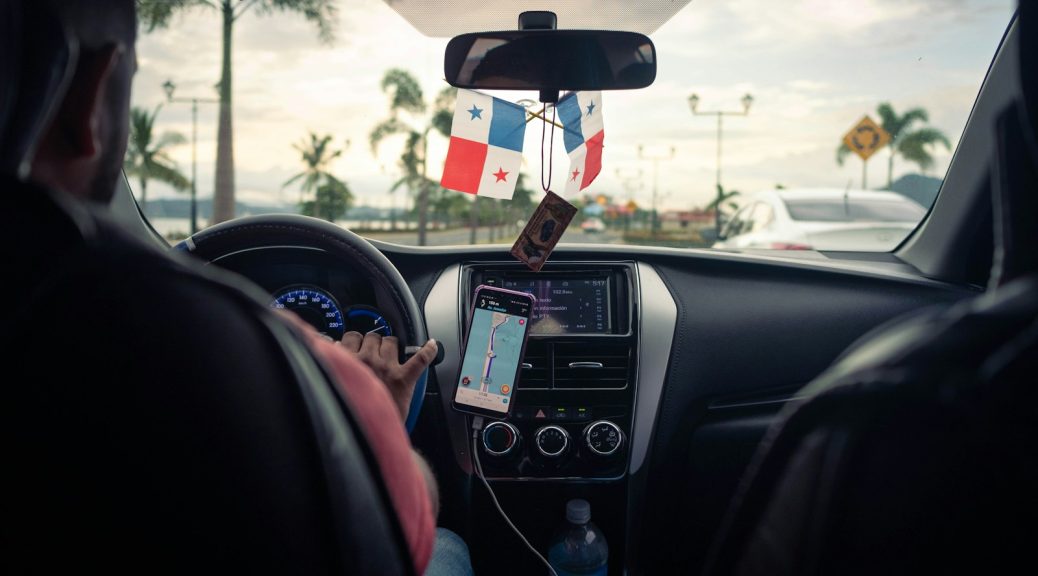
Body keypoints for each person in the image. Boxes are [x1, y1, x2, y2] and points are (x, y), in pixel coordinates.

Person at [0, 1, 471, 574]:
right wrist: (370, 412)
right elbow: (403, 525)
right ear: (92, 94)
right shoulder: (219, 338)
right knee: (448, 546)